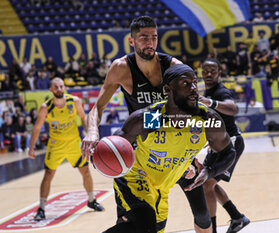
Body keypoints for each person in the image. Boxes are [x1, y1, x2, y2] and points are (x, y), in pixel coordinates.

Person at [82, 16, 214, 233]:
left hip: (175, 149)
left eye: (154, 37)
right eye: (144, 38)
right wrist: (92, 132)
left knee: (201, 212)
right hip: (142, 154)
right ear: (131, 41)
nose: (150, 43)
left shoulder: (173, 67)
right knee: (137, 222)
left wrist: (199, 153)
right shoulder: (121, 68)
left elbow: (196, 110)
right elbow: (98, 106)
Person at [82, 64, 237, 233]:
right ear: (168, 89)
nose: (193, 88)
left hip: (162, 187)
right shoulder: (152, 118)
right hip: (134, 178)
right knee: (143, 225)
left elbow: (228, 152)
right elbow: (116, 143)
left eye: (195, 82)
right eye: (185, 83)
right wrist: (97, 154)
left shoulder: (207, 120)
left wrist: (208, 171)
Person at [28, 77, 104, 221]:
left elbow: (83, 118)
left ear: (65, 88)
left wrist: (90, 135)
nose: (59, 89)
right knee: (48, 174)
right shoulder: (46, 107)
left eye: (61, 86)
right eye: (56, 87)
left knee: (86, 172)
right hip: (55, 145)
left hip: (74, 143)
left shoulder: (74, 101)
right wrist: (31, 147)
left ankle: (91, 200)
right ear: (51, 90)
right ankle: (42, 208)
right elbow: (37, 127)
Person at [199, 59, 250, 233]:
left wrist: (210, 103)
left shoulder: (221, 92)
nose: (208, 74)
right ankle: (237, 217)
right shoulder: (207, 91)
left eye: (213, 70)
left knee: (206, 184)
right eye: (205, 70)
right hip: (218, 145)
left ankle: (212, 229)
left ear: (219, 73)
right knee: (208, 184)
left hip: (231, 145)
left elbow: (233, 109)